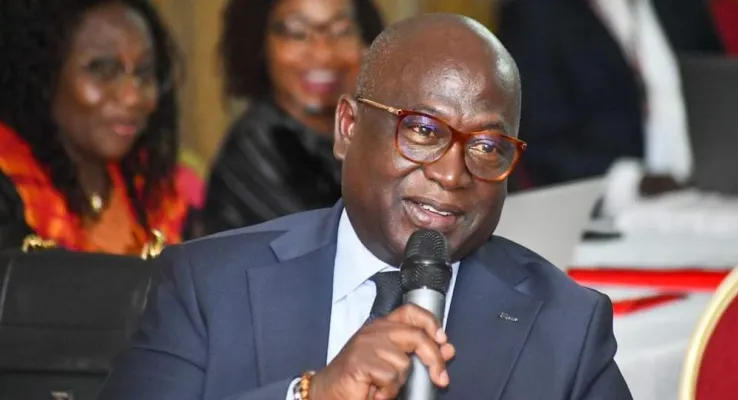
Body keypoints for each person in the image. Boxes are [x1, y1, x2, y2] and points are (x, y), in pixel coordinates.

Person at [99, 14, 632, 399]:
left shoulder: (566, 327)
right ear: (348, 128)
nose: (452, 174)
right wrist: (311, 394)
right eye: (422, 131)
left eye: (487, 147)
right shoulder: (206, 285)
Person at [0, 0, 190, 254]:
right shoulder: (10, 191)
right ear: (44, 74)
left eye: (144, 71)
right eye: (102, 70)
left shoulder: (156, 191)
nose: (132, 96)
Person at [497, 0, 723, 191]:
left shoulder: (683, 6)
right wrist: (633, 183)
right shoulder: (536, 14)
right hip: (611, 207)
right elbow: (544, 147)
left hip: (714, 188)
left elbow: (726, 93)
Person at [201, 0, 384, 235]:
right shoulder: (253, 152)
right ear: (259, 43)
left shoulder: (373, 131)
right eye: (298, 34)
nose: (323, 53)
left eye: (342, 32)